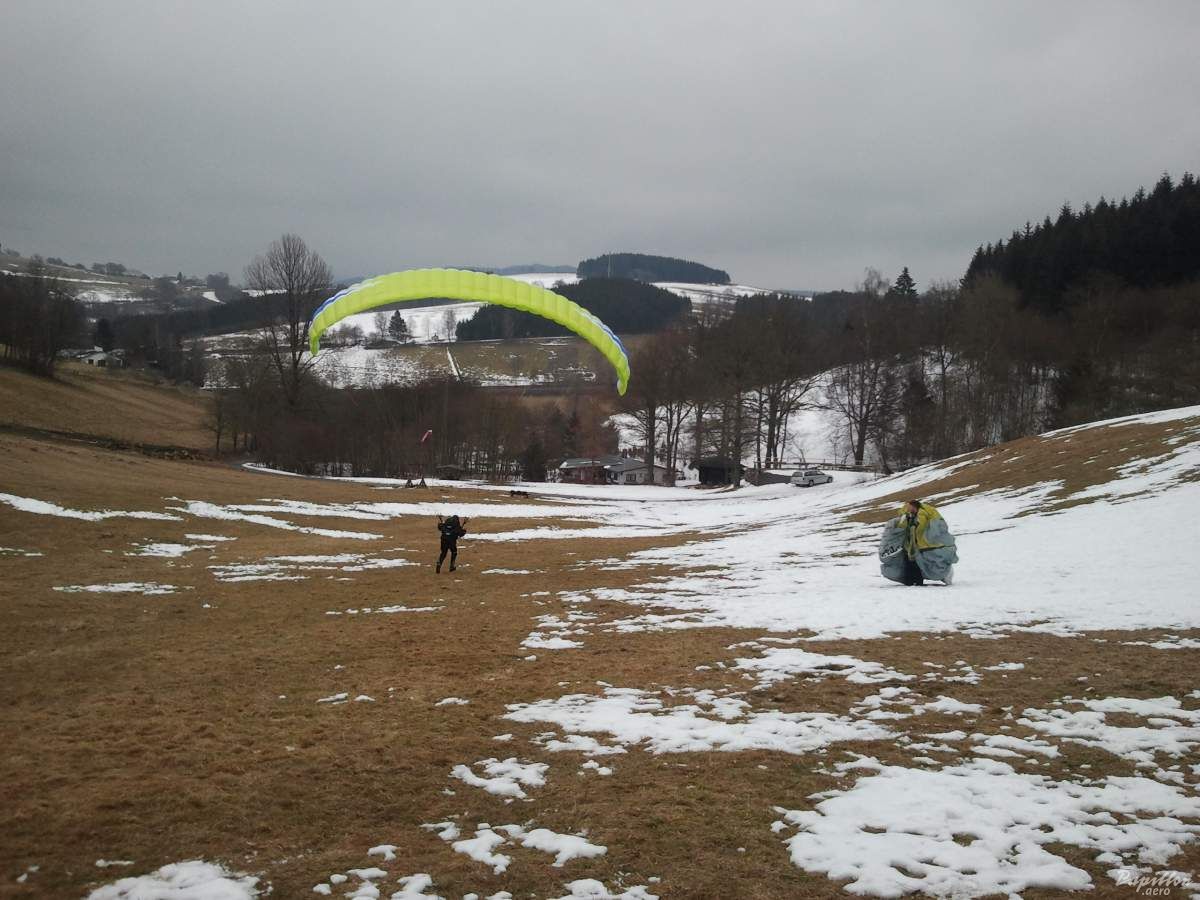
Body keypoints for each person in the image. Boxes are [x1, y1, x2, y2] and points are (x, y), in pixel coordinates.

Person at [878, 499, 958, 586]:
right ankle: (910, 582)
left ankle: (918, 582)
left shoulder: (922, 516)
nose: (908, 508)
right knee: (910, 564)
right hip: (909, 547)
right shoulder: (907, 516)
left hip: (919, 547)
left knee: (919, 565)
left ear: (914, 506)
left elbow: (922, 529)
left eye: (910, 507)